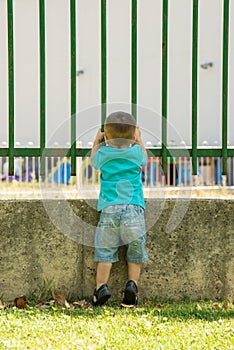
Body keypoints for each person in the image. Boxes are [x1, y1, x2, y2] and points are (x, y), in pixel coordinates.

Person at [90, 111, 148, 306]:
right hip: (134, 208)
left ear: (106, 136)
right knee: (135, 252)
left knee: (105, 251)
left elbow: (94, 161)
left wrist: (97, 142)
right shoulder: (135, 152)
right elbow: (145, 160)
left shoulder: (104, 154)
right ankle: (132, 285)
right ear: (133, 136)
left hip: (109, 210)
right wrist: (139, 140)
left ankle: (101, 288)